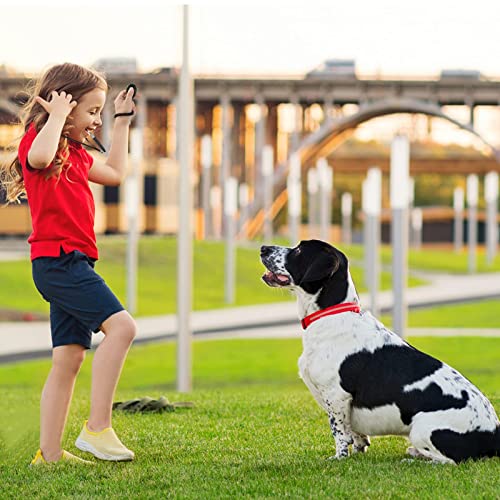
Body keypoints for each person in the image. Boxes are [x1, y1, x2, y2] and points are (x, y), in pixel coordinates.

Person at [0, 63, 138, 464]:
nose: (97, 120)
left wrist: (122, 122)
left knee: (69, 358)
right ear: (66, 105)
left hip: (75, 262)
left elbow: (114, 172)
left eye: (100, 113)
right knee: (123, 328)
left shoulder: (77, 154)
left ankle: (49, 454)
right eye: (92, 112)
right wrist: (56, 117)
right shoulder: (38, 143)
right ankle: (97, 429)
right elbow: (41, 158)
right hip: (58, 262)